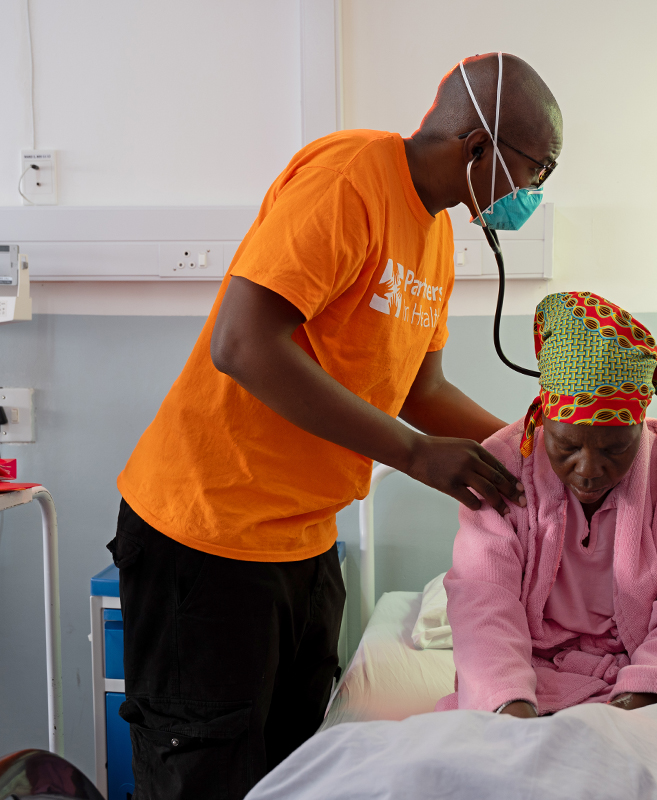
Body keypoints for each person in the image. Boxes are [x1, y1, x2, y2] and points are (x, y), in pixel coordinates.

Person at [107, 53, 562, 799]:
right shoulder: (350, 178)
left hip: (305, 542)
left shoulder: (437, 238)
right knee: (205, 775)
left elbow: (424, 390)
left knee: (291, 775)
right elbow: (244, 344)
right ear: (478, 148)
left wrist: (536, 450)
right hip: (208, 537)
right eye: (535, 171)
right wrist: (415, 457)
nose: (532, 196)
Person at [437, 291, 657, 718]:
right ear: (542, 418)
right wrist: (509, 705)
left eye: (615, 448)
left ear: (640, 426)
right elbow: (484, 599)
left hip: (647, 671)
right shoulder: (501, 468)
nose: (589, 469)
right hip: (530, 672)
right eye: (567, 445)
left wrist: (634, 707)